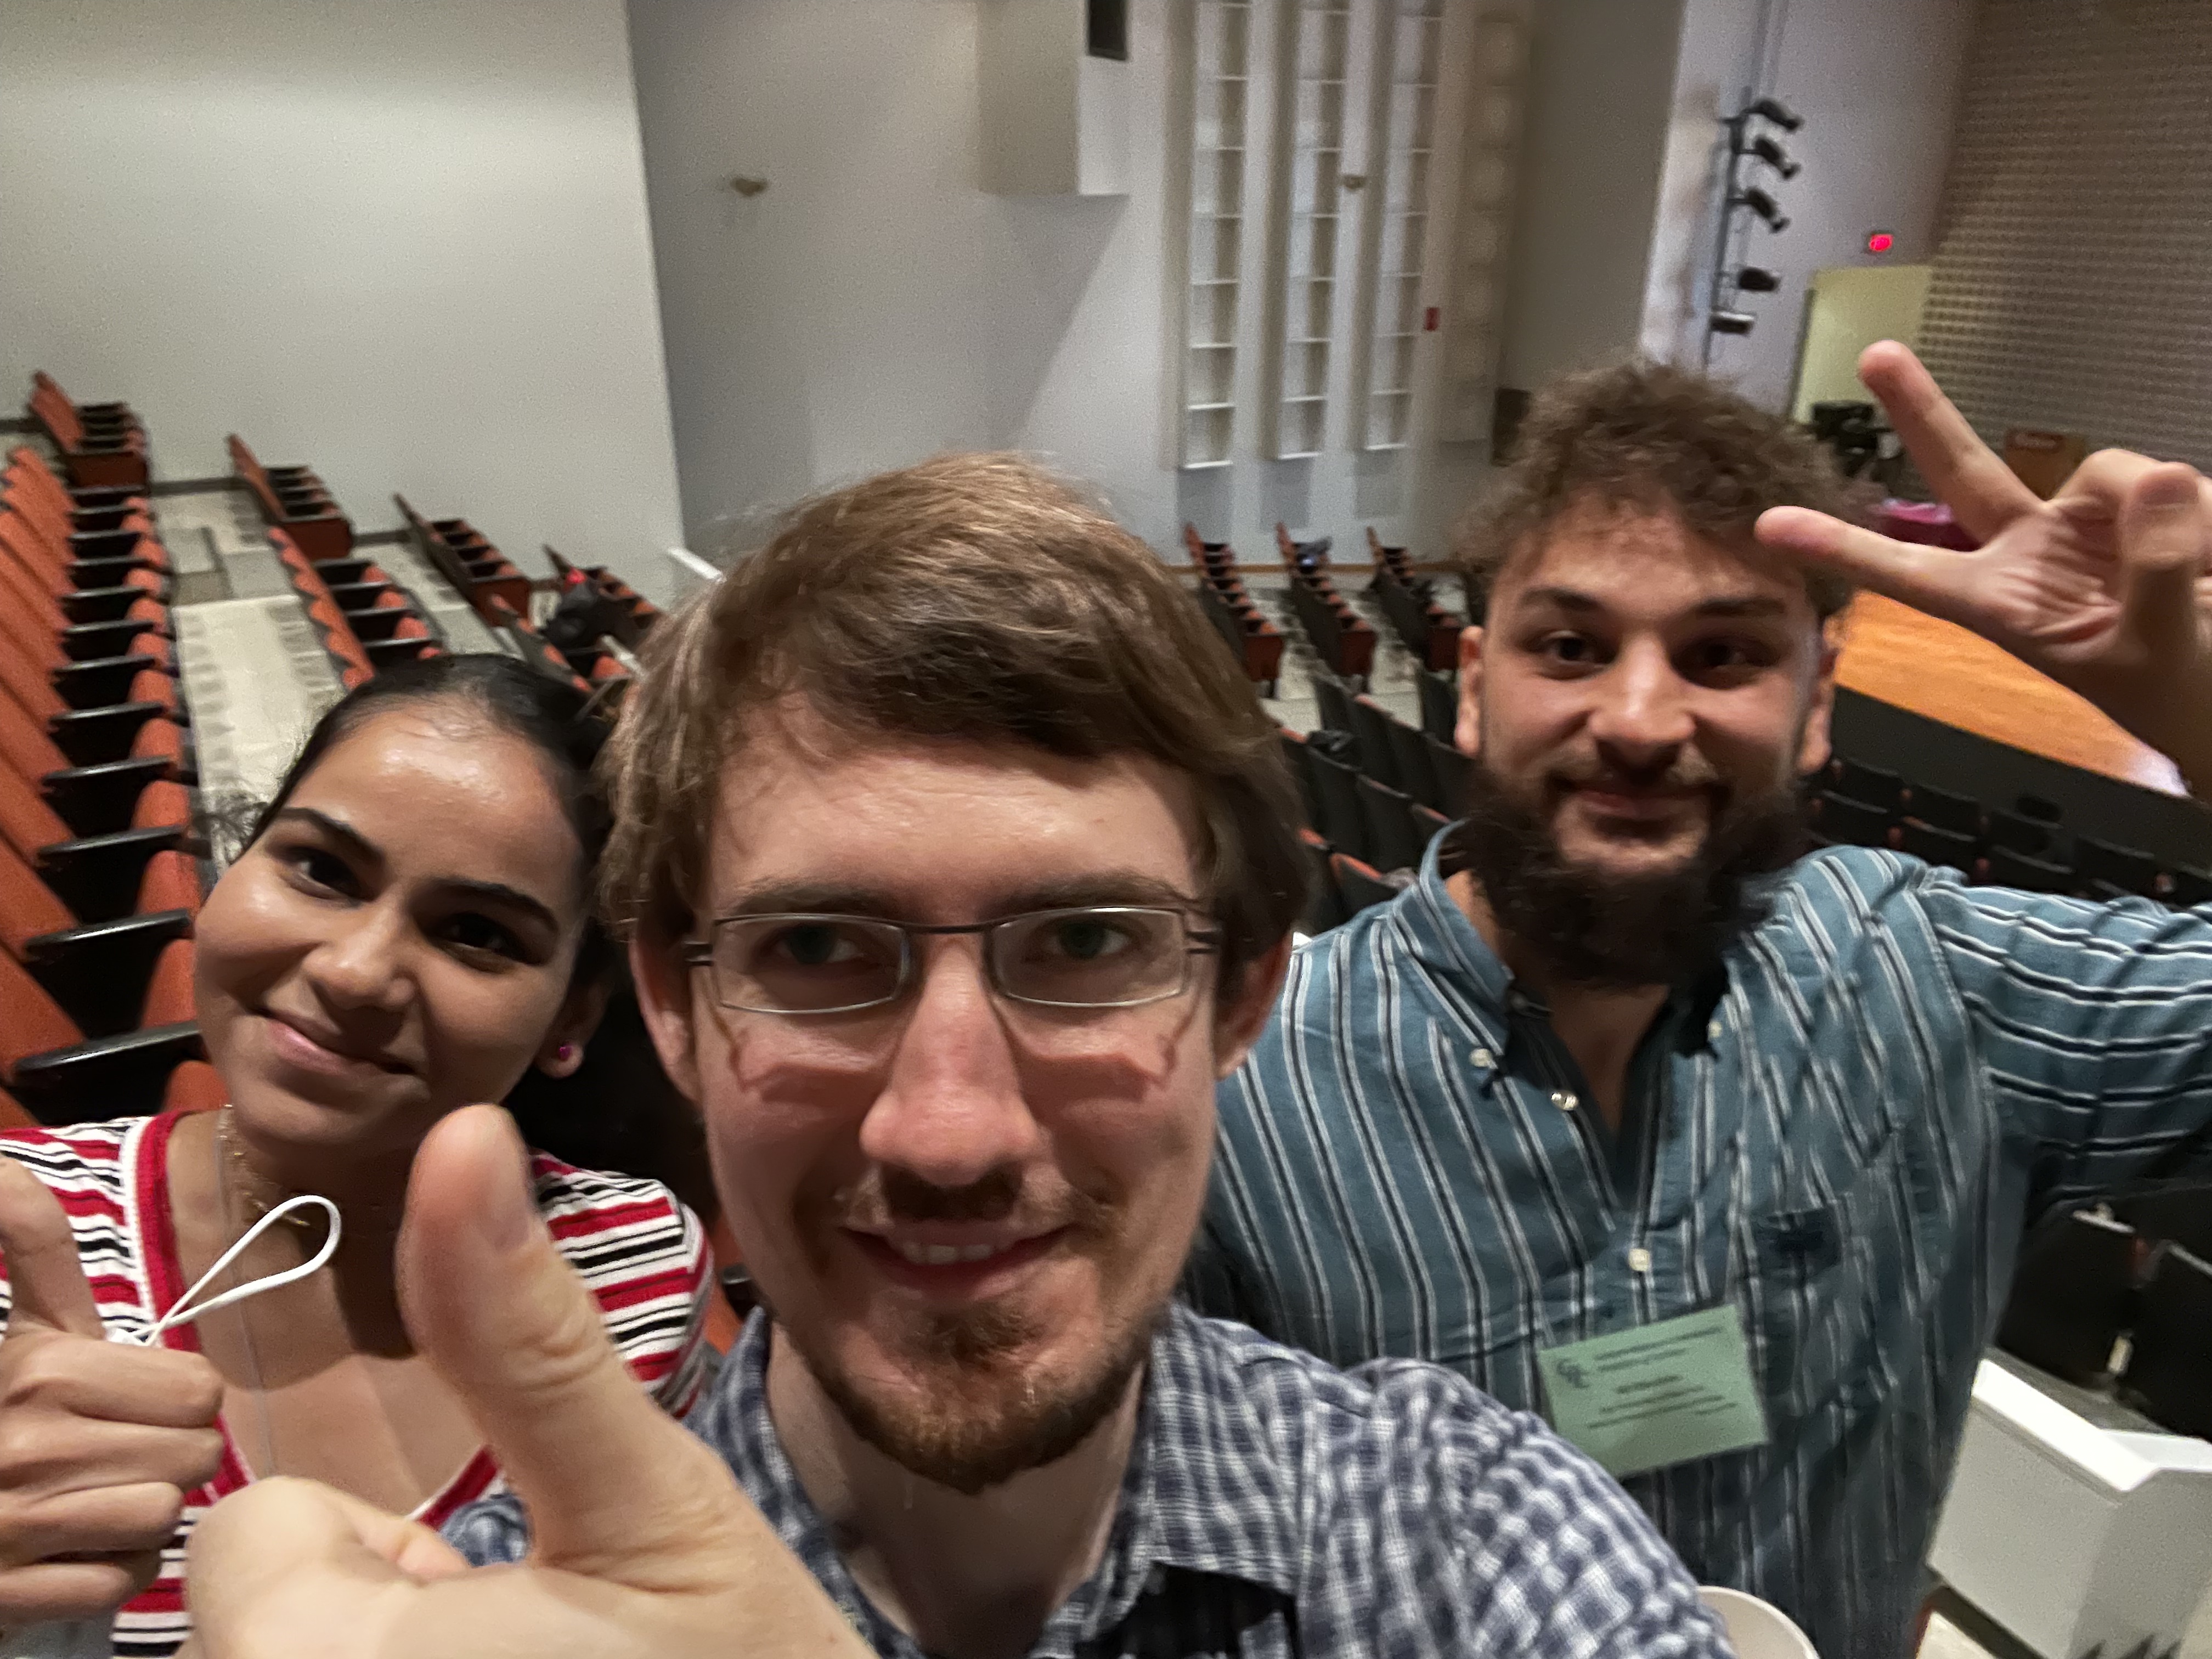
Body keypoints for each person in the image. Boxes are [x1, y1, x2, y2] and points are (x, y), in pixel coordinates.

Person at [185, 455, 1731, 1659]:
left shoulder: (1479, 1553)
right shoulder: (497, 1612)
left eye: (1080, 948)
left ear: (1244, 993)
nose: (946, 1136)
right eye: (815, 954)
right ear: (670, 1000)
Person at [1187, 344, 2212, 1659]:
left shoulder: (1941, 983)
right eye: (1571, 644)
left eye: (1723, 654)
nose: (1637, 716)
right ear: (1475, 684)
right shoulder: (1246, 1089)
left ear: (1817, 706)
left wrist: (2197, 717)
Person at [0, 654, 716, 1656]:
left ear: (574, 1015)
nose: (355, 971)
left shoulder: (633, 1266)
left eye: (477, 933)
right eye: (321, 871)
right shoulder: (21, 1247)